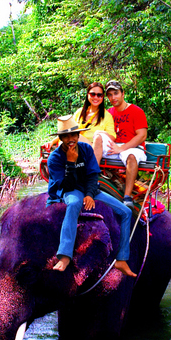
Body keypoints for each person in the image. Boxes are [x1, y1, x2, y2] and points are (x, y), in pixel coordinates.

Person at [46, 115, 137, 277]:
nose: (71, 139)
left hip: (89, 189)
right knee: (74, 204)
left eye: (73, 135)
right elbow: (66, 185)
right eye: (66, 136)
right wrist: (71, 163)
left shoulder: (86, 149)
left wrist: (89, 194)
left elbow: (93, 174)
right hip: (69, 190)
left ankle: (122, 259)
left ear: (78, 135)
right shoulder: (54, 158)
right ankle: (65, 255)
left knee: (126, 212)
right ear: (60, 138)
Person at [47, 82, 116, 165]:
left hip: (94, 147)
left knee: (76, 138)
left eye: (99, 95)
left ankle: (91, 171)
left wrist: (100, 133)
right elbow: (68, 130)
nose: (96, 97)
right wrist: (52, 141)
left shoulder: (106, 116)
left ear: (103, 97)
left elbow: (112, 137)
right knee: (64, 142)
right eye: (93, 94)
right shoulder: (80, 112)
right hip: (75, 144)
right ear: (88, 95)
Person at [104, 80, 148, 210]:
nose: (113, 97)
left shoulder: (136, 111)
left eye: (116, 93)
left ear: (123, 94)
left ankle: (127, 196)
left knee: (131, 156)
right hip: (114, 147)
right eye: (110, 95)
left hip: (133, 147)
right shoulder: (108, 113)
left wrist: (121, 148)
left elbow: (142, 136)